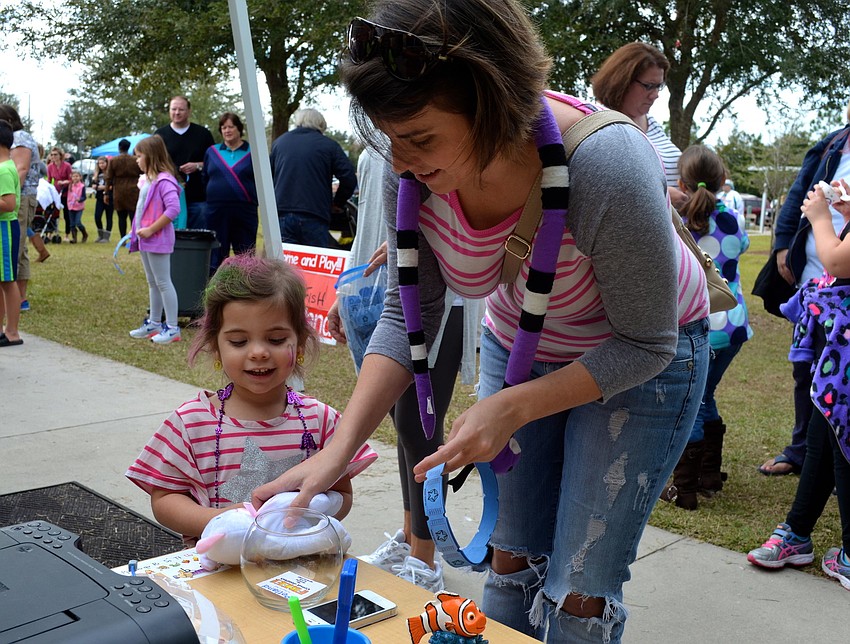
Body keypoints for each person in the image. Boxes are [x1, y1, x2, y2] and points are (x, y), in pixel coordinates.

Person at [253, 2, 711, 642]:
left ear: (493, 102)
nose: (404, 162)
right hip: (523, 341)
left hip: (638, 359)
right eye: (391, 138)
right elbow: (407, 312)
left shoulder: (607, 163)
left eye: (421, 138)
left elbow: (647, 341)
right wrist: (336, 452)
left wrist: (516, 406)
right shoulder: (401, 163)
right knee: (510, 560)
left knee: (579, 586)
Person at [126, 254, 377, 539]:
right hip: (216, 574)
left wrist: (308, 508)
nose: (258, 352)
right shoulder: (191, 422)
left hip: (298, 569)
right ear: (216, 347)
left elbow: (342, 493)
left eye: (276, 339)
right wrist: (223, 522)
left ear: (301, 343)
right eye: (239, 341)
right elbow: (164, 499)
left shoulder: (321, 421)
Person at [340, 146, 479, 591]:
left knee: (422, 423)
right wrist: (349, 289)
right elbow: (369, 226)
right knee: (404, 420)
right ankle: (409, 536)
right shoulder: (379, 147)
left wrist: (412, 242)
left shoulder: (443, 140)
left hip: (445, 296)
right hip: (393, 292)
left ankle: (426, 556)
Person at [747, 179, 850, 592]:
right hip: (840, 362)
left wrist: (820, 217)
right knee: (824, 436)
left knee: (842, 445)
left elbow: (838, 262)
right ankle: (797, 532)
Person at [661, 146, 753, 510]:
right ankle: (709, 473)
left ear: (679, 181)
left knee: (694, 401)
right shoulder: (731, 218)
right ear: (723, 181)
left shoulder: (673, 218)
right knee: (706, 395)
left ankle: (684, 488)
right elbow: (741, 247)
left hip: (694, 324)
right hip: (731, 326)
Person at [759, 112, 850, 477]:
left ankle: (828, 460)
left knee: (836, 379)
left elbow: (839, 261)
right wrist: (784, 244)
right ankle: (806, 453)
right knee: (808, 370)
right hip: (817, 284)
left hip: (840, 278)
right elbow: (800, 189)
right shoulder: (834, 143)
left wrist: (821, 218)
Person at [591, 42, 686, 208]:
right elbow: (600, 189)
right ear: (621, 81)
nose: (655, 95)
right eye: (649, 86)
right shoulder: (599, 125)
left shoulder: (652, 123)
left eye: (659, 86)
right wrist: (662, 195)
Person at [269, 108, 357, 248]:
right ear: (320, 125)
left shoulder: (279, 143)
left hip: (282, 213)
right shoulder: (329, 146)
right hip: (315, 215)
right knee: (315, 263)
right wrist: (337, 203)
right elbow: (349, 178)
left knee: (284, 264)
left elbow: (269, 178)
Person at [127, 135, 182, 345]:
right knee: (153, 282)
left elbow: (173, 208)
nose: (136, 160)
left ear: (150, 156)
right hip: (146, 239)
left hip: (156, 238)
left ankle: (173, 327)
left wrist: (151, 229)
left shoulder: (164, 180)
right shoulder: (148, 181)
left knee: (163, 282)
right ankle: (155, 322)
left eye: (139, 156)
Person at [0, 104, 47, 311]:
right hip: (21, 195)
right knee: (19, 247)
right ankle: (20, 299)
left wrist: (10, 193)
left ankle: (13, 300)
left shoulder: (18, 137)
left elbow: (21, 169)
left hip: (20, 195)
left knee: (14, 248)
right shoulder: (20, 137)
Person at [202, 112, 258, 273]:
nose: (227, 130)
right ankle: (214, 284)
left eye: (231, 126)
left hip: (245, 210)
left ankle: (246, 285)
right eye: (223, 127)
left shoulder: (253, 152)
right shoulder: (212, 152)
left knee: (245, 251)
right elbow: (205, 177)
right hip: (216, 210)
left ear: (239, 128)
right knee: (216, 250)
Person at [156, 95, 214, 229]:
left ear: (189, 111)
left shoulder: (203, 134)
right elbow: (154, 164)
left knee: (198, 238)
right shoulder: (159, 135)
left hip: (198, 198)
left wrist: (198, 165)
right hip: (169, 199)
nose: (177, 113)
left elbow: (214, 162)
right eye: (173, 109)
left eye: (181, 109)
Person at [0, 119, 23, 347]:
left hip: (5, 227)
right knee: (1, 280)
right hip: (2, 228)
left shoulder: (4, 170)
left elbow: (8, 203)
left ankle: (12, 331)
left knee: (8, 280)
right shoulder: (5, 167)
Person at [105, 138, 143, 238]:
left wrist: (106, 193)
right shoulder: (135, 160)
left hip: (119, 190)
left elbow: (108, 178)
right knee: (133, 216)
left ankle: (123, 237)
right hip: (134, 189)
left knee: (121, 216)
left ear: (119, 148)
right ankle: (134, 237)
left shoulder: (113, 160)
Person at [46, 146, 71, 242]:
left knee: (66, 214)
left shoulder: (67, 166)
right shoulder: (50, 167)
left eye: (55, 154)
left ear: (60, 155)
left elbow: (71, 179)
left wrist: (64, 182)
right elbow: (49, 180)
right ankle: (50, 232)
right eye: (51, 155)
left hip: (65, 191)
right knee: (53, 213)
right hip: (55, 192)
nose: (53, 156)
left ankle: (67, 234)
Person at [92, 156, 113, 243]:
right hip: (99, 197)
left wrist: (104, 187)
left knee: (109, 216)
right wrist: (95, 186)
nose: (101, 165)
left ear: (107, 163)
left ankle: (106, 236)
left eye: (103, 163)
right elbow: (94, 184)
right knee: (97, 216)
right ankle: (100, 234)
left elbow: (112, 186)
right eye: (99, 163)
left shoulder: (111, 173)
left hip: (109, 197)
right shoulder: (97, 173)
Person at [66, 170, 88, 243]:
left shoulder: (82, 186)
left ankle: (84, 234)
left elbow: (84, 197)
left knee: (78, 222)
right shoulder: (70, 185)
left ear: (80, 177)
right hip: (71, 206)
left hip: (79, 207)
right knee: (72, 224)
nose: (75, 178)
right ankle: (74, 238)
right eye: (73, 176)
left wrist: (80, 199)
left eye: (77, 176)